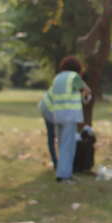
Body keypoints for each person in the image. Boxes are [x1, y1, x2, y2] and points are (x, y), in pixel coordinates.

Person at [47, 56, 91, 184]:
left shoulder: (57, 78)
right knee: (68, 146)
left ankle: (65, 173)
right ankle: (64, 176)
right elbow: (86, 90)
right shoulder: (74, 77)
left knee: (62, 146)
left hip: (58, 115)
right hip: (69, 115)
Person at [38, 91, 57, 169]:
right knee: (53, 134)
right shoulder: (72, 81)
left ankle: (56, 162)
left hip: (45, 105)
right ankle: (56, 162)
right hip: (49, 109)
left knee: (52, 134)